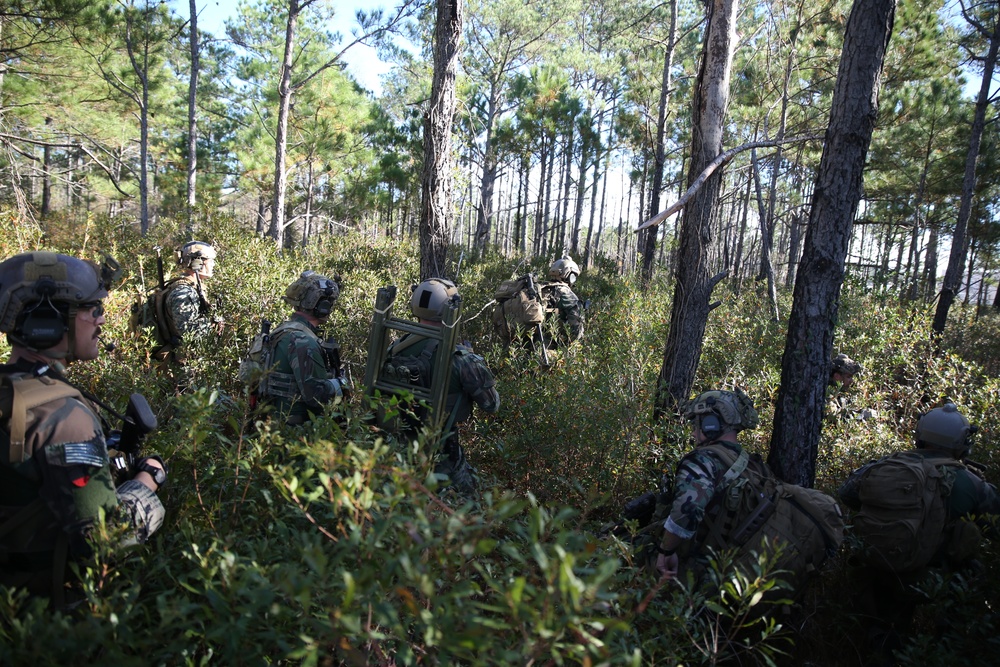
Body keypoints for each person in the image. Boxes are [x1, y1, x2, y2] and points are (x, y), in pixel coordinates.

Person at [0, 251, 166, 607]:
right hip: (43, 628)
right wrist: (149, 480)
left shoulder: (12, 392)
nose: (101, 321)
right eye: (93, 310)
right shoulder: (61, 416)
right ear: (49, 320)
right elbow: (107, 541)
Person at [837, 403, 1000, 660]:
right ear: (961, 442)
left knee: (883, 637)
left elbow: (847, 494)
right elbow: (995, 526)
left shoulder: (887, 465)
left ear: (920, 434)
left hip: (878, 570)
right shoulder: (971, 483)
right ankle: (948, 644)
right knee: (973, 570)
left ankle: (882, 646)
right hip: (930, 580)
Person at [386, 278, 500, 496]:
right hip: (441, 456)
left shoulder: (395, 347)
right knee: (471, 511)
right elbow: (492, 404)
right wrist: (473, 360)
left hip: (396, 449)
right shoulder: (460, 358)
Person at [652, 388, 763, 582]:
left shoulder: (703, 460)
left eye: (697, 423)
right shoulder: (751, 463)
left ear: (711, 424)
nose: (694, 432)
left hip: (702, 571)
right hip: (735, 570)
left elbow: (688, 509)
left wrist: (666, 551)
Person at [249, 271, 349, 426]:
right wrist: (340, 383)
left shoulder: (283, 331)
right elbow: (314, 395)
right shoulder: (303, 341)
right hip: (294, 433)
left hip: (271, 425)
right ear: (322, 306)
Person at [155, 241, 219, 365]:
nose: (213, 264)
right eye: (210, 260)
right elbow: (188, 332)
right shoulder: (183, 293)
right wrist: (214, 324)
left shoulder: (191, 287)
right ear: (198, 263)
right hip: (182, 365)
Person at [538, 256, 584, 349]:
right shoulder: (567, 294)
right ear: (570, 276)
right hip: (549, 348)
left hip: (528, 343)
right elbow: (577, 329)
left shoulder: (540, 289)